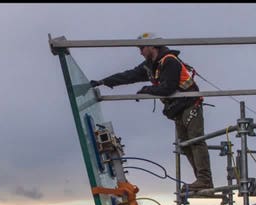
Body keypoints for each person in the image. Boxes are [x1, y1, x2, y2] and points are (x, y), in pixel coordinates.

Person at [90, 32, 214, 191]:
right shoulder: (151, 66)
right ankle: (201, 181)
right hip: (178, 108)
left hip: (190, 103)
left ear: (152, 46)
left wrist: (147, 89)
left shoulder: (169, 61)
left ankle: (204, 180)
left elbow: (168, 87)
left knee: (195, 140)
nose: (140, 52)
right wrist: (104, 81)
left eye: (142, 48)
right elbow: (129, 75)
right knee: (185, 145)